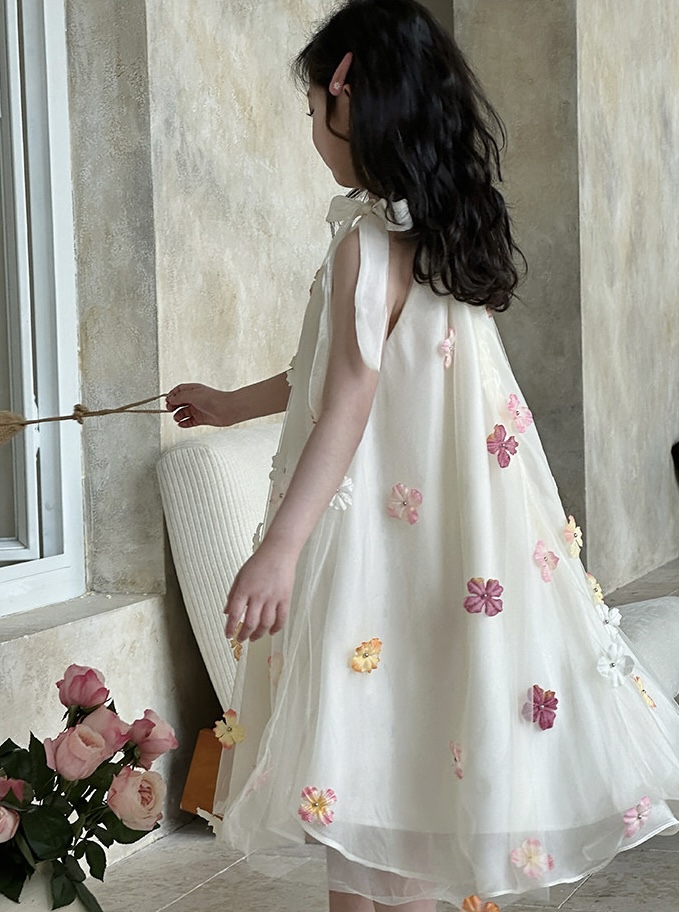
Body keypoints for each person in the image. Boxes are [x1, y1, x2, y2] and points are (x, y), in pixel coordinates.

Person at [165, 1, 679, 909]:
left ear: (347, 95)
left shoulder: (369, 243)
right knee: (400, 774)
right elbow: (332, 370)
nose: (310, 131)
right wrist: (232, 403)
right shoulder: (432, 236)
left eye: (312, 107)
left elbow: (348, 402)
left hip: (379, 550)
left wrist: (279, 547)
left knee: (372, 769)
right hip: (443, 547)